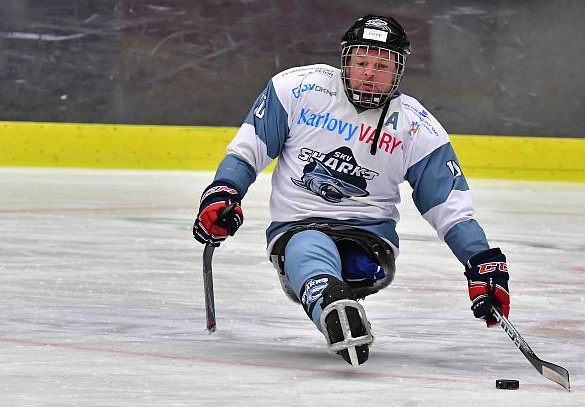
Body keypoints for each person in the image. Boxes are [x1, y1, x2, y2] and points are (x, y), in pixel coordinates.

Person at [193, 15, 510, 367]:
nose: (369, 73)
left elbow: (450, 209)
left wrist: (480, 262)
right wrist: (223, 192)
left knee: (349, 264)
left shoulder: (416, 127)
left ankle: (333, 301)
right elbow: (247, 151)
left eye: (381, 65)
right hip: (299, 227)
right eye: (361, 62)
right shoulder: (298, 90)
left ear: (398, 70)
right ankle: (332, 306)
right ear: (345, 61)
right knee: (308, 246)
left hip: (369, 242)